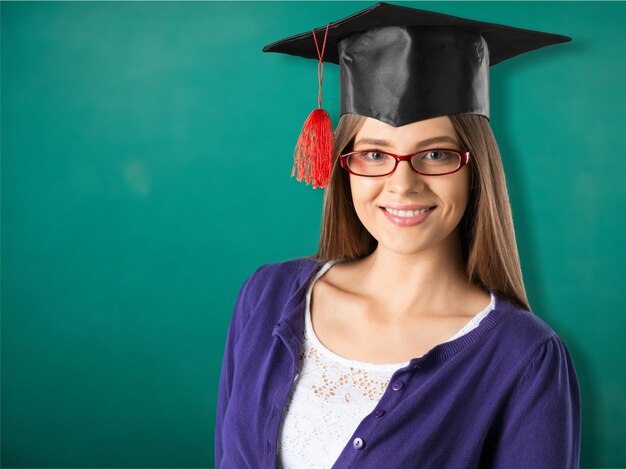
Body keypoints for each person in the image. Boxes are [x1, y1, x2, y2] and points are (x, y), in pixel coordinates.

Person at [215, 3, 581, 468]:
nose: (403, 184)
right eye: (373, 154)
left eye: (435, 155)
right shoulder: (266, 297)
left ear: (476, 170)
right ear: (343, 166)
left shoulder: (524, 357)